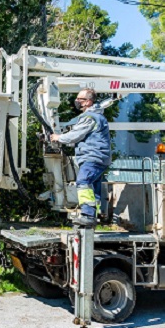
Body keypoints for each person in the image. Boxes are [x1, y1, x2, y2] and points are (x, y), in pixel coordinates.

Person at [50, 88, 111, 227]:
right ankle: (90, 218)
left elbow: (75, 135)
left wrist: (58, 137)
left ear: (88, 102)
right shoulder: (96, 116)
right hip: (99, 157)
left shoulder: (89, 117)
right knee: (92, 188)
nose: (76, 101)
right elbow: (78, 139)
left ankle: (88, 215)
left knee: (83, 181)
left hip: (93, 157)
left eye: (80, 99)